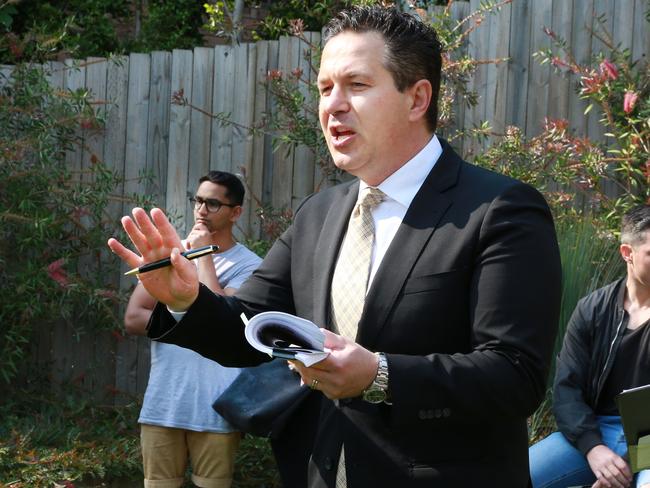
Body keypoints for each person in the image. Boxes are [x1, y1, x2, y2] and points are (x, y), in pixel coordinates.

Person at [109, 6, 562, 487]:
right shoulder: (319, 214)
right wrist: (185, 299)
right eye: (325, 88)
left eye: (357, 85)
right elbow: (249, 329)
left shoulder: (500, 209)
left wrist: (381, 376)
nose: (332, 105)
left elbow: (515, 375)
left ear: (417, 98)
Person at [123, 170, 262, 488]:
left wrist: (202, 256)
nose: (201, 210)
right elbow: (133, 317)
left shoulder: (251, 266)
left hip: (216, 408)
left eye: (213, 204)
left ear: (235, 213)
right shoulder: (170, 257)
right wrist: (187, 316)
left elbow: (222, 320)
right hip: (164, 403)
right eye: (198, 200)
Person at [529, 205, 650, 488]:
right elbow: (566, 389)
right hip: (595, 431)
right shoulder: (593, 309)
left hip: (648, 440)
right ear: (627, 253)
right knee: (516, 477)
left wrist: (625, 467)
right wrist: (594, 449)